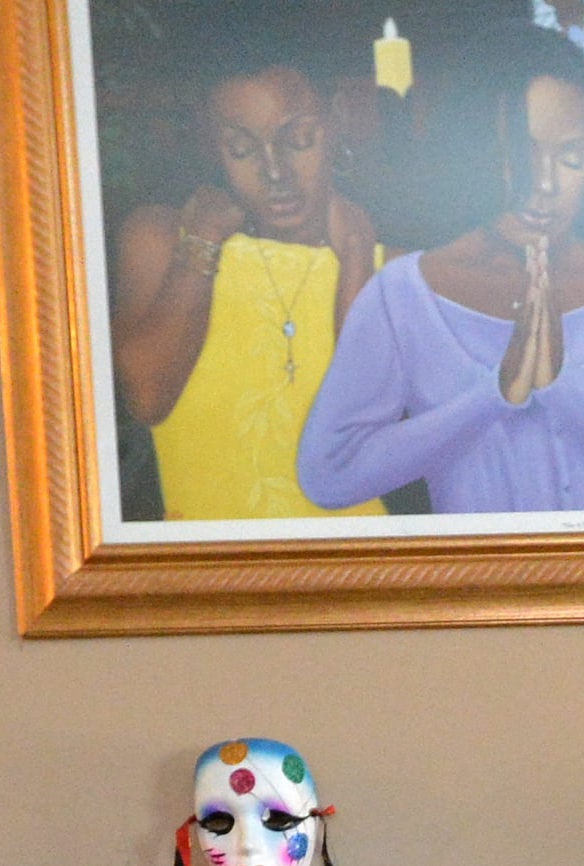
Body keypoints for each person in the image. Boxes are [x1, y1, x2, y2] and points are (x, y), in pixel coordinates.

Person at [294, 25, 584, 515]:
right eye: (519, 155)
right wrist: (492, 396)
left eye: (572, 157)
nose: (544, 185)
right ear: (473, 152)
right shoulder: (401, 295)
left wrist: (565, 388)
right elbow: (327, 475)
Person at [108, 28, 385, 521]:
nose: (274, 171)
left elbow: (363, 437)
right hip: (216, 563)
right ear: (210, 146)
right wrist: (202, 244)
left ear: (337, 120)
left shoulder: (385, 265)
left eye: (298, 140)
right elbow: (147, 397)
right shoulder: (163, 240)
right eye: (241, 148)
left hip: (356, 556)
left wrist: (357, 258)